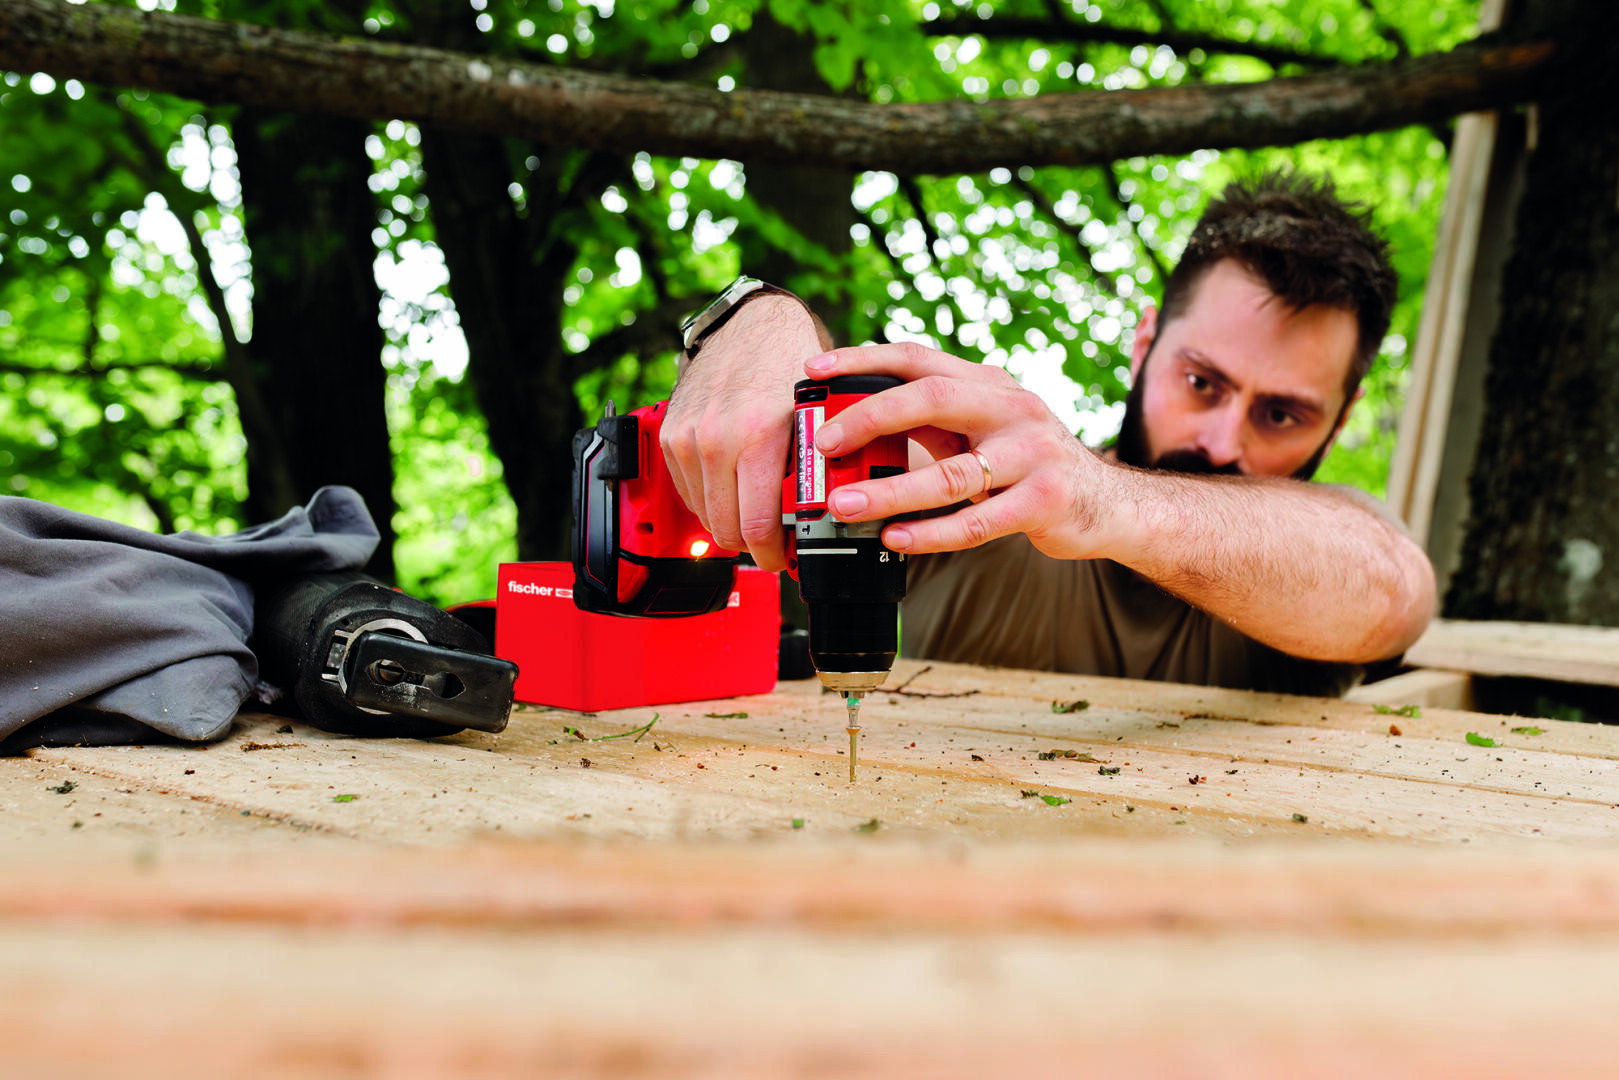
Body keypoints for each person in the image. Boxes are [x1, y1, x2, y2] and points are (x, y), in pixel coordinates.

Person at [659, 171, 1436, 696]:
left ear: (1342, 412)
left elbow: (1393, 595)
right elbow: (813, 424)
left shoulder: (1341, 545)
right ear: (1144, 345)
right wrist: (756, 317)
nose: (1224, 442)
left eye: (1281, 414)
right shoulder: (969, 473)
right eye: (1201, 383)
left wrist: (1106, 504)